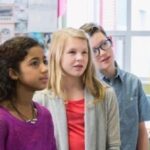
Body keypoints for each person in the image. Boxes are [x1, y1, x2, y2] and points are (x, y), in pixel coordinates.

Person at [33, 27, 121, 150]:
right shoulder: (40, 99)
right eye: (72, 52)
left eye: (84, 52)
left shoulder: (105, 94)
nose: (80, 58)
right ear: (57, 56)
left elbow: (114, 144)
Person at [80, 22, 150, 150]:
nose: (102, 53)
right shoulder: (85, 88)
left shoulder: (133, 83)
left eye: (104, 44)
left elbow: (141, 130)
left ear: (110, 42)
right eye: (94, 50)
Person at [0, 36, 56, 150]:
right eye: (34, 63)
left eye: (44, 61)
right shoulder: (3, 120)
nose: (45, 68)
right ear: (13, 73)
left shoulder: (45, 115)